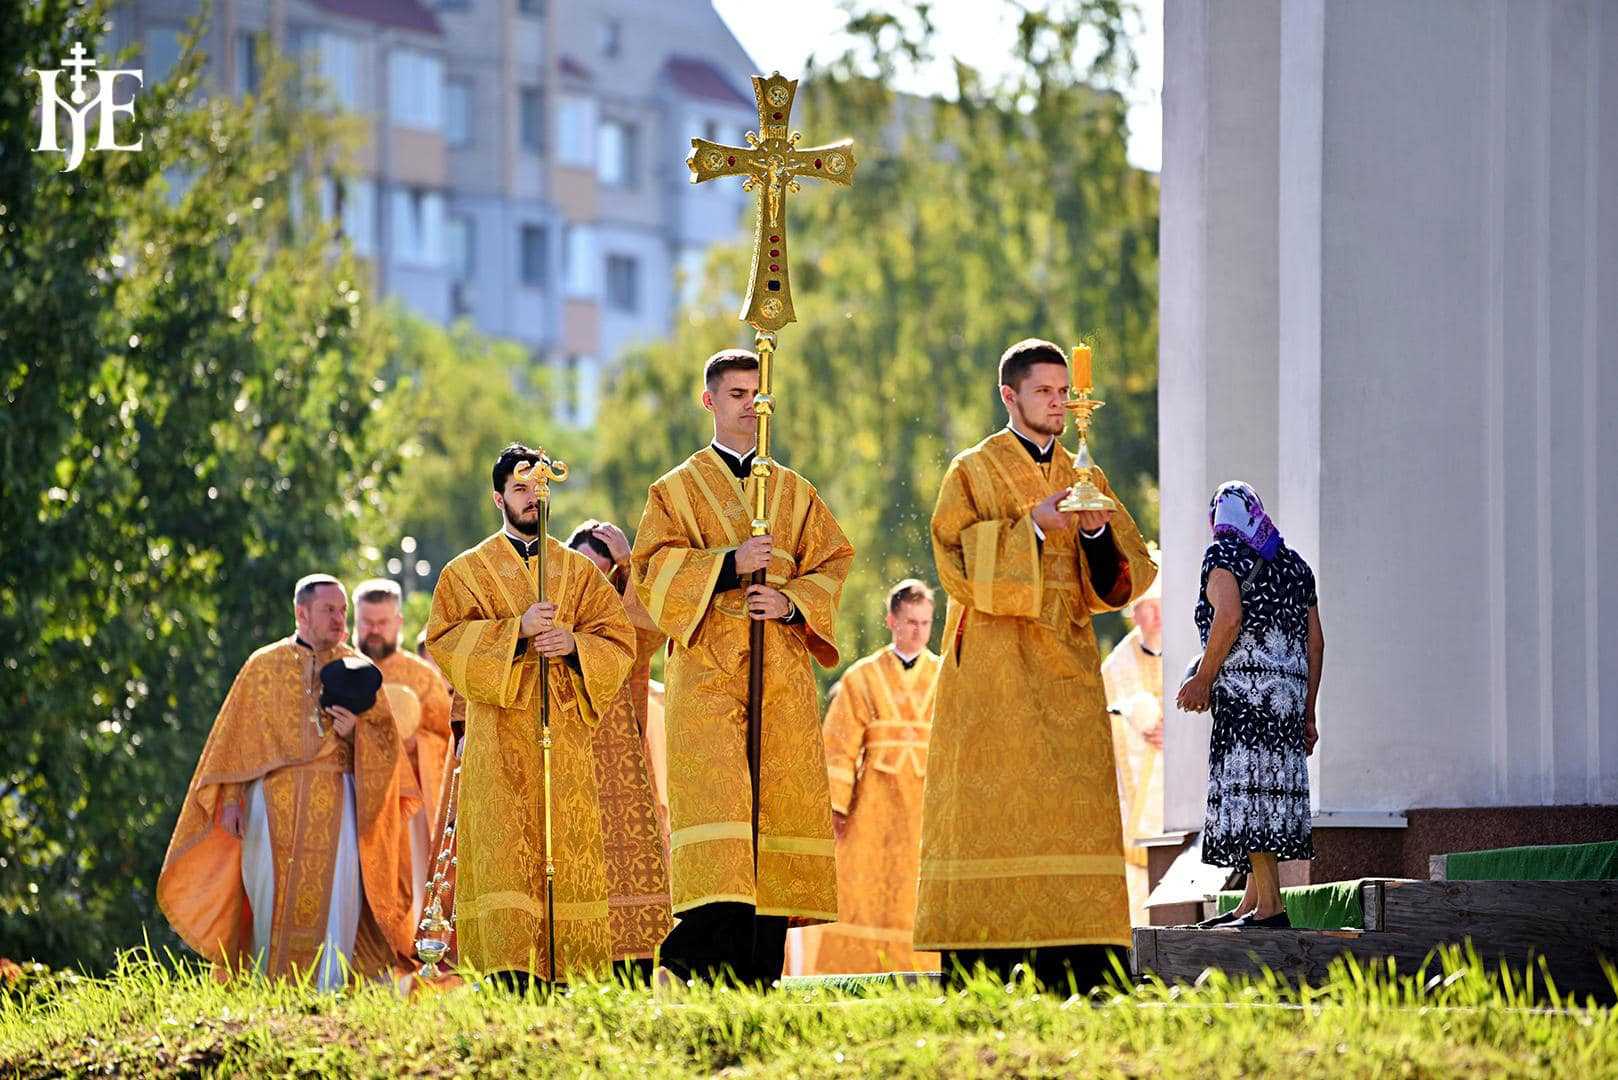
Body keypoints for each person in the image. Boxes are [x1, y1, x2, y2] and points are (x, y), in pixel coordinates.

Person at [914, 338, 1157, 992]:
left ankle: (1083, 971)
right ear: (1010, 396)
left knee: (1074, 809)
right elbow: (954, 561)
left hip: (1068, 668)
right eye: (1045, 391)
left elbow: (1120, 582)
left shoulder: (1086, 473)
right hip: (993, 672)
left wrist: (1099, 533)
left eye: (1064, 391)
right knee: (993, 811)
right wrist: (1038, 530)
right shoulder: (974, 468)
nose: (1058, 402)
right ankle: (982, 970)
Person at [631, 348, 855, 987]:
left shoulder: (793, 490)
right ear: (709, 401)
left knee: (774, 829)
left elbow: (833, 562)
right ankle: (685, 961)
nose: (751, 409)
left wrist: (790, 602)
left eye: (760, 397)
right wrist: (730, 564)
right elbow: (651, 574)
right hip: (706, 681)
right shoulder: (673, 491)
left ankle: (757, 978)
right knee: (724, 829)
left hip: (779, 679)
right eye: (736, 396)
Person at [425, 444, 636, 986]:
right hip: (498, 744)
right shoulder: (465, 572)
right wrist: (514, 631)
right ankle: (508, 975)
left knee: (563, 855)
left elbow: (618, 641)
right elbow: (444, 643)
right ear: (498, 497)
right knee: (504, 856)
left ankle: (570, 976)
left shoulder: (578, 573)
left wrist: (571, 644)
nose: (531, 499)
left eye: (540, 489)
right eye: (520, 489)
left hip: (563, 744)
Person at [157, 574, 417, 987]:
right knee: (271, 902)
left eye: (342, 610)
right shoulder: (262, 667)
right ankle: (272, 995)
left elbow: (391, 757)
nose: (339, 618)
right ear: (301, 613)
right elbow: (233, 743)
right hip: (269, 812)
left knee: (337, 902)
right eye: (329, 610)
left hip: (340, 810)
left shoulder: (361, 669)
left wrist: (358, 734)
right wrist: (230, 801)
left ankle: (330, 995)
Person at [1175, 482, 1323, 929]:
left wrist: (1202, 678)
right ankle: (1249, 905)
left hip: (1246, 699)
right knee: (1270, 793)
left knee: (1251, 797)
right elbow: (1315, 642)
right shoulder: (1295, 566)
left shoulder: (1222, 555)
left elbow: (1230, 616)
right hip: (1288, 697)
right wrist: (1309, 710)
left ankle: (1271, 909)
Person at [798, 579, 942, 975]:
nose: (917, 630)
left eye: (925, 622)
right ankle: (855, 972)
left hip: (928, 807)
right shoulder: (862, 677)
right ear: (891, 620)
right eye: (910, 621)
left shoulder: (946, 676)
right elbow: (839, 743)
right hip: (873, 803)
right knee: (863, 887)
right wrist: (835, 806)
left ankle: (924, 969)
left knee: (917, 891)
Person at [566, 518, 674, 982]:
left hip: (622, 756)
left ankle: (632, 965)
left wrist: (632, 567)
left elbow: (651, 632)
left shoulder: (619, 618)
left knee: (630, 861)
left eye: (605, 573)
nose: (594, 582)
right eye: (585, 569)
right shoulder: (546, 603)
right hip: (564, 747)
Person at [355, 578, 454, 927]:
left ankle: (406, 953)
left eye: (382, 623)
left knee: (407, 888)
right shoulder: (340, 669)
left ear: (398, 621)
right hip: (354, 801)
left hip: (408, 806)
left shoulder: (422, 676)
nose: (374, 631)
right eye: (367, 622)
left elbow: (450, 741)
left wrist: (418, 744)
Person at [1100, 562, 1165, 925]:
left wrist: (1178, 733)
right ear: (1133, 613)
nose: (1153, 615)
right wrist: (1136, 724)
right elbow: (1105, 720)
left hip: (1179, 791)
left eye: (1158, 606)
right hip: (1132, 803)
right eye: (1145, 607)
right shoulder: (1116, 666)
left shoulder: (1190, 655)